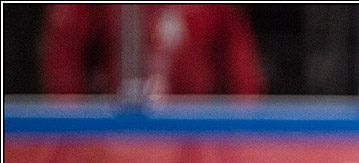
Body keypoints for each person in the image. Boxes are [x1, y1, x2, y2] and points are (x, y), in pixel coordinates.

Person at [40, 4, 265, 98]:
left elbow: (243, 78)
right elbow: (63, 64)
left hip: (194, 131)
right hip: (118, 132)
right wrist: (75, 130)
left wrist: (242, 134)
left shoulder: (215, 8)